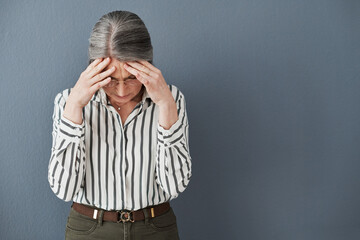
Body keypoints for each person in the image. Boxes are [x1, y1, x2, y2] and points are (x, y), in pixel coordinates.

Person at [47, 10, 192, 240]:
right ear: (94, 68)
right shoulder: (67, 102)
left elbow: (175, 187)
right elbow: (64, 190)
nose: (122, 91)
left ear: (147, 65)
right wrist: (74, 108)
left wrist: (165, 105)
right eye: (111, 80)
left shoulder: (171, 99)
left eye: (131, 78)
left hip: (155, 229)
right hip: (89, 230)